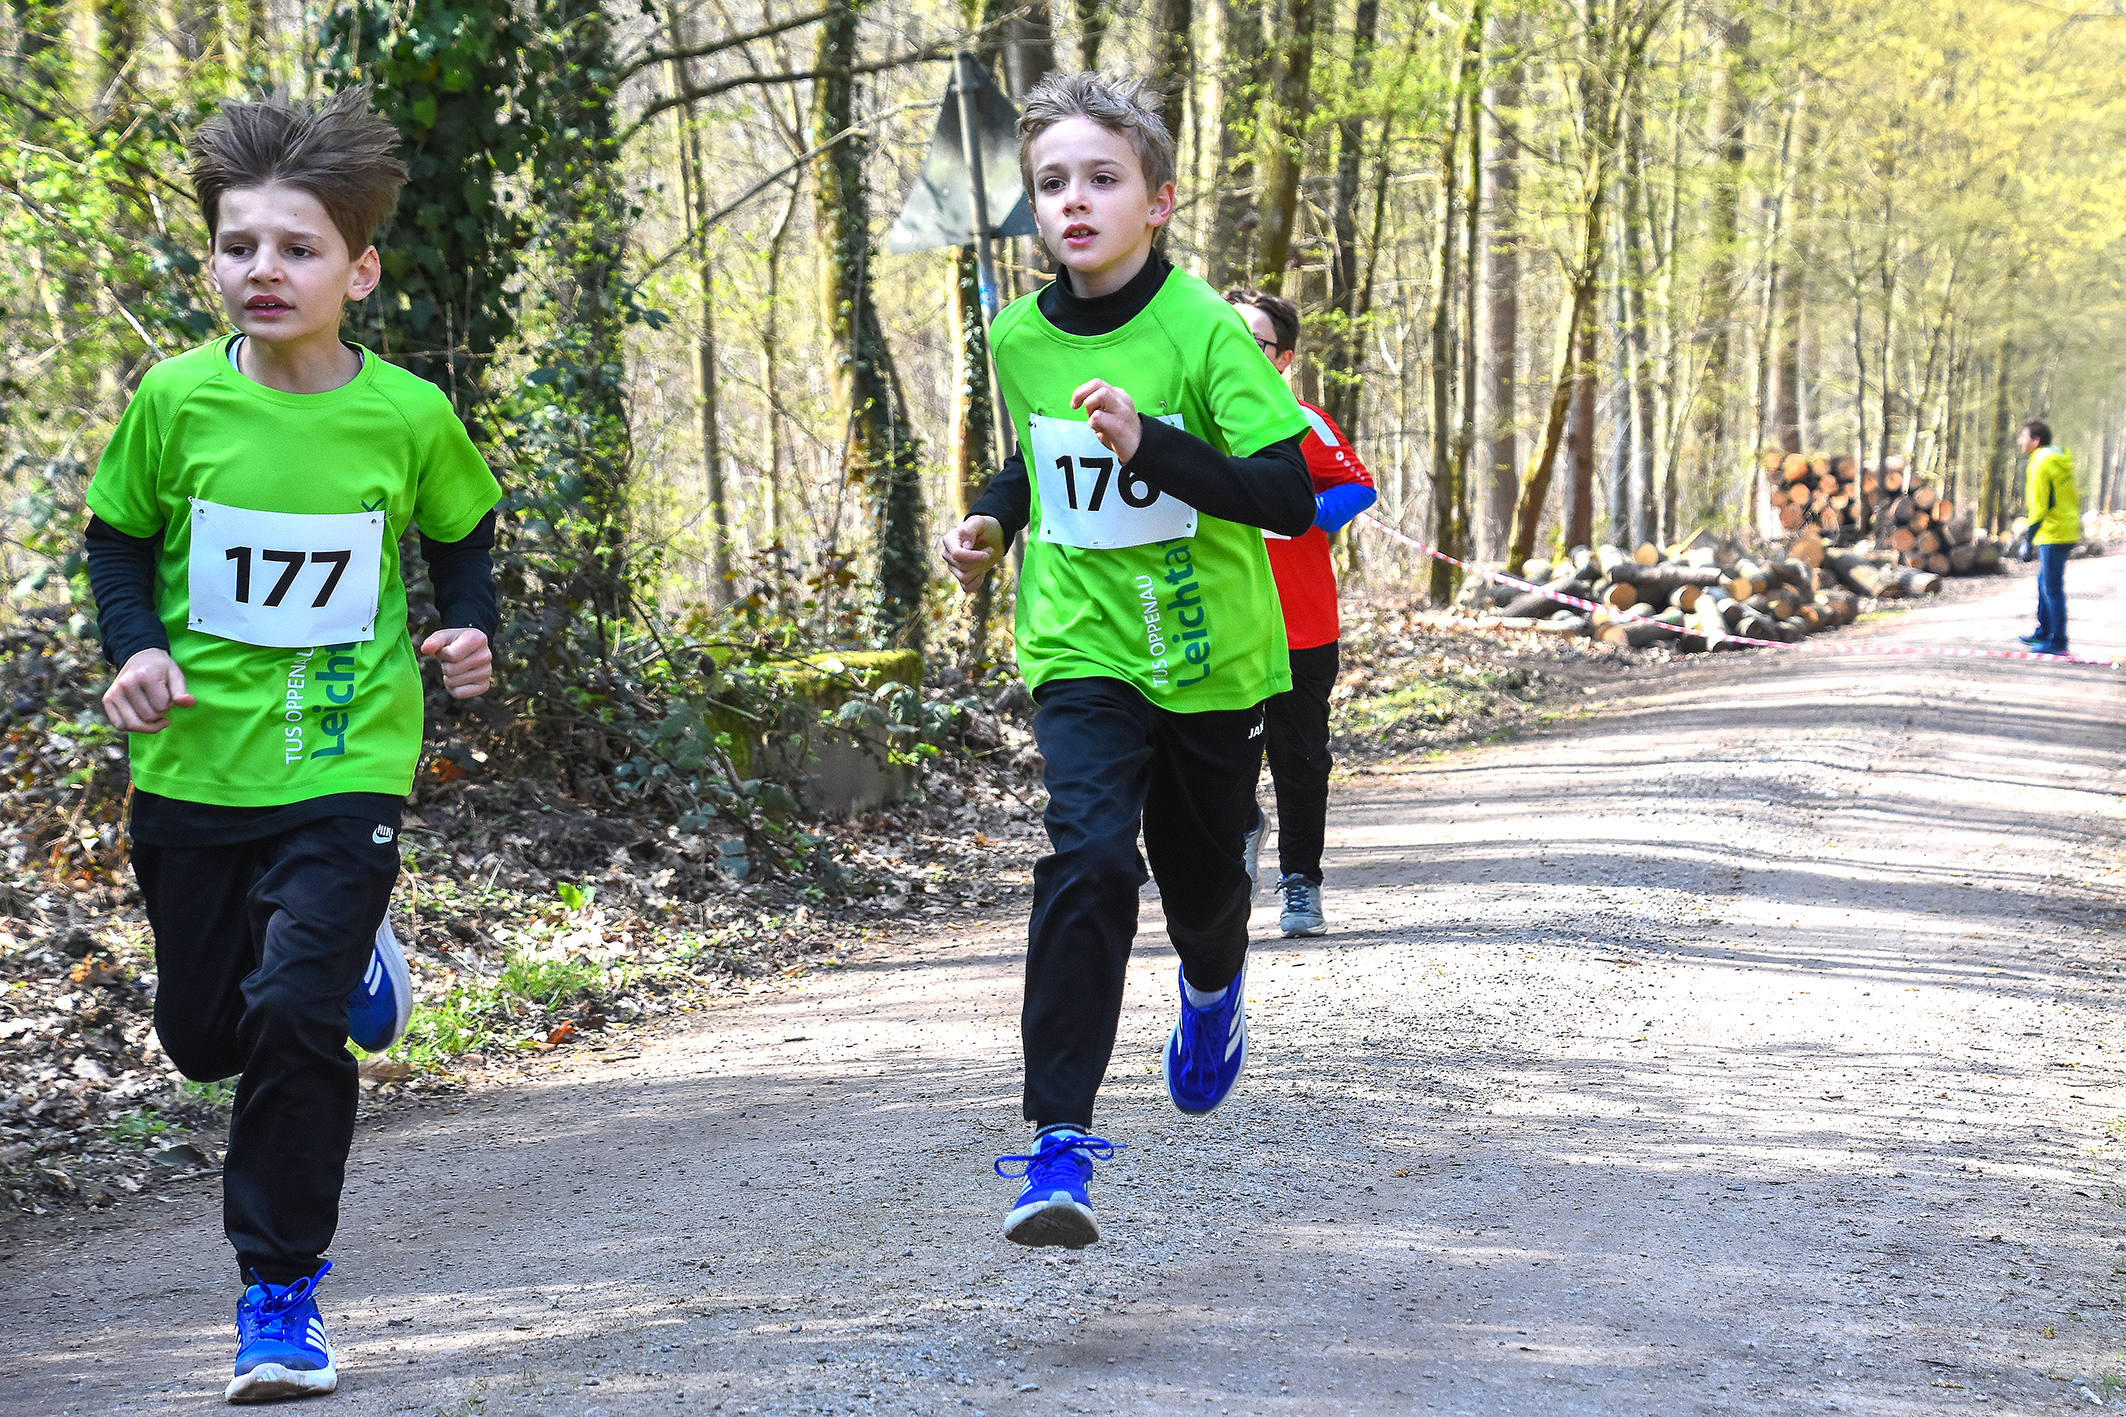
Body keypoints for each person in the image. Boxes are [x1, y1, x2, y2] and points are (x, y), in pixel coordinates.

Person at [84, 88, 501, 1403]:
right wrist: (135, 649)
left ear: (357, 272)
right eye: (239, 245)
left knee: (290, 1015)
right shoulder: (174, 401)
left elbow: (462, 534)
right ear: (214, 260)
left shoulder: (407, 416)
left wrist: (469, 628)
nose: (263, 268)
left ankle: (279, 1296)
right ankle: (347, 963)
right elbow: (115, 540)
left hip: (342, 760)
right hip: (193, 768)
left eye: (298, 248)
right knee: (207, 1039)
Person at [938, 71, 1313, 1249]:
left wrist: (1150, 443)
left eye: (1102, 178)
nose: (1074, 201)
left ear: (1156, 201)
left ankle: (1210, 986)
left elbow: (1285, 495)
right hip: (1080, 641)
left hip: (1206, 654)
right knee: (1089, 854)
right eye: (1051, 182)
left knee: (1202, 892)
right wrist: (992, 518)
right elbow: (1038, 460)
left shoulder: (1202, 327)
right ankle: (1056, 1142)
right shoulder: (1016, 335)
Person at [1223, 290, 1376, 937]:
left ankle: (1300, 884)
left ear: (1282, 358)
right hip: (1219, 622)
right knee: (1216, 757)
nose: (1237, 349)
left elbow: (1359, 486)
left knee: (1300, 758)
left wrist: (1302, 512)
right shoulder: (1194, 420)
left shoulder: (1303, 421)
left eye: (1254, 341)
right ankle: (1240, 832)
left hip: (1300, 621)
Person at [2014, 418, 2080, 656]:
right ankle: (2044, 631)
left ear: (2036, 441)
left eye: (2023, 437)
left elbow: (2039, 504)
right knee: (2044, 582)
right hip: (2066, 527)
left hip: (2053, 532)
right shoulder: (2057, 459)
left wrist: (2028, 537)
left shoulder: (2039, 463)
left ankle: (2058, 640)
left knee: (2051, 588)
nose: (2019, 441)